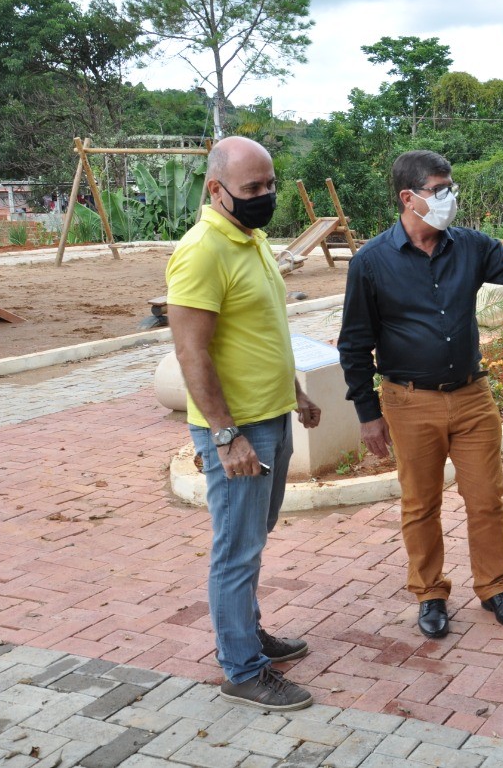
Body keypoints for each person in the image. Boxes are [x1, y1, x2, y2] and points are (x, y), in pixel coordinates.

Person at [337, 150, 503, 641]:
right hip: (408, 400)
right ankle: (430, 594)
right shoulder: (371, 262)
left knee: (486, 498)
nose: (450, 198)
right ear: (409, 198)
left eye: (451, 188)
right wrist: (367, 412)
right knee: (420, 504)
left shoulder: (470, 246)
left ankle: (493, 587)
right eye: (440, 190)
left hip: (471, 397)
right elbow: (355, 343)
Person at [166, 136, 322, 712]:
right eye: (253, 189)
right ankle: (242, 668)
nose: (266, 197)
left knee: (253, 539)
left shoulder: (250, 239)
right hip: (236, 430)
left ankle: (247, 632)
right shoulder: (202, 250)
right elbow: (191, 353)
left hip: (271, 417)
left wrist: (297, 393)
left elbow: (263, 333)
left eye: (270, 185)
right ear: (217, 189)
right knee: (235, 548)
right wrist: (225, 434)